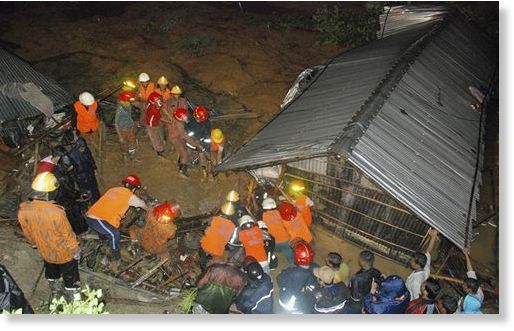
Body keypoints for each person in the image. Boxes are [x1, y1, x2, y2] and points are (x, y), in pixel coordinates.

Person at [17, 172, 81, 301]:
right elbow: (67, 235)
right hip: (64, 253)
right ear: (48, 193)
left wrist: (35, 243)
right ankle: (73, 296)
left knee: (51, 269)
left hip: (45, 251)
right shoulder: (57, 212)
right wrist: (76, 250)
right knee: (70, 274)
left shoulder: (23, 211)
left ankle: (54, 290)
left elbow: (28, 234)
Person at [86, 174, 148, 272]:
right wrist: (149, 209)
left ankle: (105, 243)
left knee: (108, 231)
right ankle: (116, 258)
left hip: (91, 215)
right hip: (97, 220)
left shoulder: (113, 189)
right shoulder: (130, 196)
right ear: (134, 189)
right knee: (115, 234)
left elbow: (110, 203)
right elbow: (143, 205)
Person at [277, 240, 318, 314]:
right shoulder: (316, 269)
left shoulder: (290, 273)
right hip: (306, 305)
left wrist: (282, 273)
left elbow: (279, 280)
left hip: (291, 306)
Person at [161, 108, 203, 178]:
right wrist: (197, 145)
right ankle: (182, 171)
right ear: (180, 118)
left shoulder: (176, 119)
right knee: (185, 155)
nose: (186, 117)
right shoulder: (179, 125)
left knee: (183, 152)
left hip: (177, 137)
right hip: (175, 139)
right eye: (184, 117)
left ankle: (181, 164)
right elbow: (186, 137)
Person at [53, 153, 88, 234]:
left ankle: (77, 230)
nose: (71, 167)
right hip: (63, 198)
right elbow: (69, 191)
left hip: (63, 197)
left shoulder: (60, 170)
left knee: (72, 213)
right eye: (69, 166)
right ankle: (79, 231)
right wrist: (79, 195)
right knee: (73, 214)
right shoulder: (61, 177)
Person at [199, 202, 237, 269]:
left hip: (205, 246)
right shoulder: (233, 226)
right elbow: (230, 240)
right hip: (217, 252)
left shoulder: (214, 218)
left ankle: (202, 264)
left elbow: (205, 228)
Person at [405, 228, 439, 301]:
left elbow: (416, 299)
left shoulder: (416, 283)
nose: (410, 262)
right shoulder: (425, 266)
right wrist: (433, 236)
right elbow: (429, 251)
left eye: (412, 261)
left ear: (418, 265)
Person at [68, 137, 100, 203]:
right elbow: (71, 170)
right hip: (81, 177)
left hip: (89, 173)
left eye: (84, 147)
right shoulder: (71, 155)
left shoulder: (86, 150)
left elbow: (91, 160)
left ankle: (97, 201)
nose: (83, 149)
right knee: (85, 192)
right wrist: (74, 179)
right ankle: (88, 203)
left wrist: (94, 169)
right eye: (81, 148)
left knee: (94, 188)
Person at [186, 106, 212, 181]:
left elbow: (207, 137)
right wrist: (194, 139)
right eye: (198, 119)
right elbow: (187, 132)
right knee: (188, 154)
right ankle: (189, 164)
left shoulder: (207, 123)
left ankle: (205, 173)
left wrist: (205, 148)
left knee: (202, 157)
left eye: (200, 119)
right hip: (190, 142)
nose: (199, 120)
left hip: (201, 144)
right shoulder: (190, 122)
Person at [261, 197, 291, 264]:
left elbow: (264, 231)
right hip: (286, 240)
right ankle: (293, 264)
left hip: (274, 244)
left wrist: (266, 243)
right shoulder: (279, 212)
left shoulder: (264, 215)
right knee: (289, 255)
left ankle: (272, 261)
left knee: (266, 248)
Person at [457, 247, 484, 314]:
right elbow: (470, 270)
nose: (462, 285)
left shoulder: (463, 302)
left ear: (469, 290)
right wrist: (466, 254)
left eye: (464, 286)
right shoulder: (476, 288)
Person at [115, 90, 139, 161]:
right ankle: (124, 156)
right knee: (123, 143)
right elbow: (116, 123)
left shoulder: (128, 104)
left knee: (132, 141)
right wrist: (120, 136)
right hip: (123, 129)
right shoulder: (120, 109)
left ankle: (132, 156)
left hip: (130, 127)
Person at [145, 92, 165, 157]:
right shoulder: (154, 110)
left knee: (157, 136)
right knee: (155, 137)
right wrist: (169, 121)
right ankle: (159, 150)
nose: (160, 101)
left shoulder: (150, 104)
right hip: (151, 125)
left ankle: (158, 147)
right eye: (158, 100)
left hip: (154, 122)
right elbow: (161, 118)